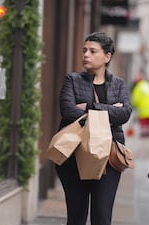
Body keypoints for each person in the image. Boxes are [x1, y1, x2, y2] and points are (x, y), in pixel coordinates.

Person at [55, 31, 132, 225]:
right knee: (77, 216)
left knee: (102, 216)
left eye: (92, 51)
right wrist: (109, 112)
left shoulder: (119, 84)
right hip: (74, 155)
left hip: (108, 157)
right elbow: (68, 112)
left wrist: (89, 107)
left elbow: (124, 114)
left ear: (107, 56)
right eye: (84, 50)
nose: (86, 55)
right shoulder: (72, 80)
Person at [131, 73, 149, 137]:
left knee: (143, 122)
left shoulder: (138, 87)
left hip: (143, 109)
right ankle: (148, 133)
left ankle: (144, 134)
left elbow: (135, 99)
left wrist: (133, 104)